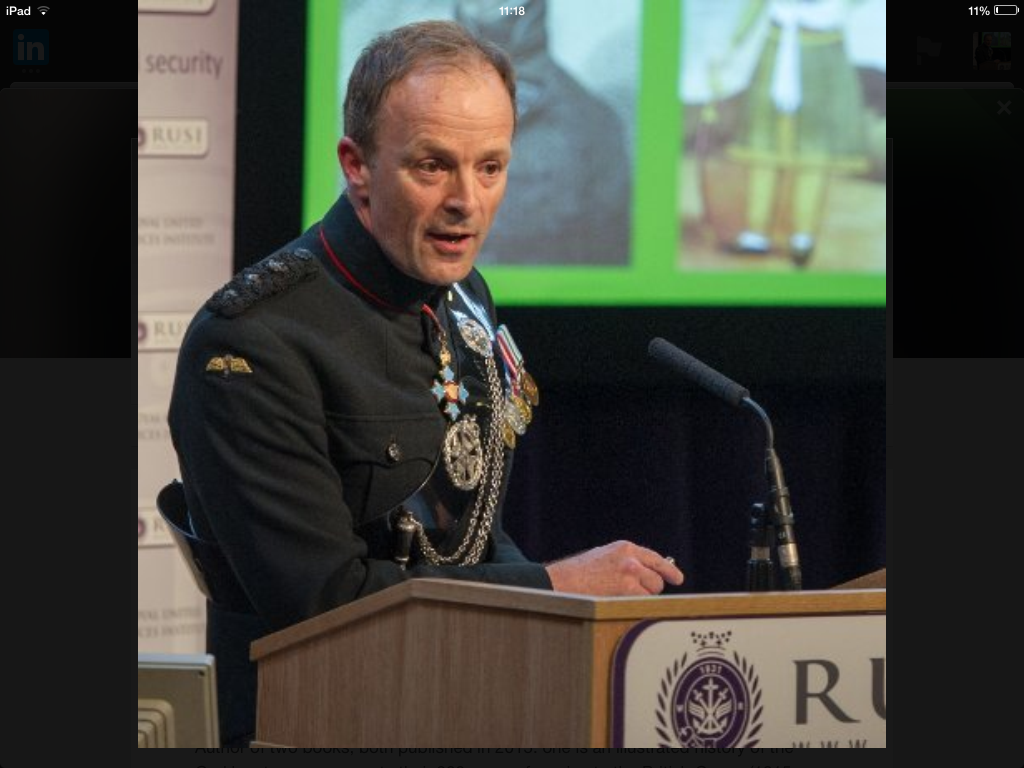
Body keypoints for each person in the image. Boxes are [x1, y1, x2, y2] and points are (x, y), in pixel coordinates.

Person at [166, 20, 683, 747]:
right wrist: (556, 586)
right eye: (433, 165)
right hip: (312, 727)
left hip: (459, 704)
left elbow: (471, 533)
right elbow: (326, 607)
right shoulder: (251, 343)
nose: (466, 201)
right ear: (356, 165)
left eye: (491, 167)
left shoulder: (464, 293)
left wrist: (563, 612)